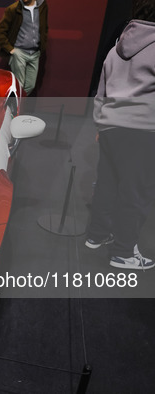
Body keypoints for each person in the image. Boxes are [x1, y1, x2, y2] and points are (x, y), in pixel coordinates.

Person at [85, 0, 155, 270]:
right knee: (136, 193)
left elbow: (101, 91)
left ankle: (97, 236)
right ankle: (124, 253)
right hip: (143, 130)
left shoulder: (117, 47)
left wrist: (100, 125)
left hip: (111, 127)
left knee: (107, 184)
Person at [0, 0, 48, 95]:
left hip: (35, 53)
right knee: (20, 85)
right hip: (19, 53)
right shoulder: (13, 9)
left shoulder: (42, 7)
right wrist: (11, 50)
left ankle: (16, 104)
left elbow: (44, 27)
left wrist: (42, 44)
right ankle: (16, 108)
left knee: (30, 85)